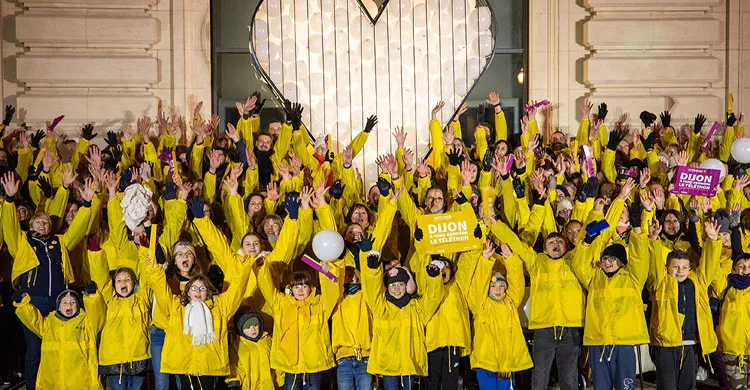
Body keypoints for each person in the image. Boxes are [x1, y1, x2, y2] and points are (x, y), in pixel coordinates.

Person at [1, 171, 95, 390]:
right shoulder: (23, 243)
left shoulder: (59, 242)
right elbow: (9, 227)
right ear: (31, 225)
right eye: (38, 221)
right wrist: (10, 200)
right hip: (32, 301)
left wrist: (88, 203)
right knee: (34, 350)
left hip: (58, 302)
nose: (43, 224)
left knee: (57, 347)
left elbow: (79, 229)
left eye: (46, 222)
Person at [572, 215, 650, 390]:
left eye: (612, 259)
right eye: (605, 259)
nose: (607, 262)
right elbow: (578, 265)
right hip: (599, 341)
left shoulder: (633, 278)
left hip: (624, 343)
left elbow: (640, 258)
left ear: (621, 262)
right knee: (601, 386)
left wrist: (637, 230)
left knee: (624, 386)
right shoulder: (594, 278)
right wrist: (586, 243)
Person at [648, 218, 722, 390]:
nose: (680, 271)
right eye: (675, 267)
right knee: (667, 387)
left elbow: (709, 264)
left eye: (684, 267)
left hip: (690, 345)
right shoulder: (661, 282)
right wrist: (653, 240)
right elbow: (654, 263)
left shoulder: (698, 282)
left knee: (688, 386)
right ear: (667, 268)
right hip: (665, 345)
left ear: (690, 269)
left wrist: (712, 241)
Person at [12, 282, 105, 390]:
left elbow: (97, 314)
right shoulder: (48, 324)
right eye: (64, 302)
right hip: (52, 383)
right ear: (58, 307)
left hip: (81, 384)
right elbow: (33, 320)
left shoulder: (87, 323)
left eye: (73, 302)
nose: (69, 305)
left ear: (78, 306)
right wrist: (22, 303)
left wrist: (93, 298)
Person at [467, 240, 533, 390]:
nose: (498, 290)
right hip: (486, 362)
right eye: (493, 286)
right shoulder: (480, 305)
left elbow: (517, 284)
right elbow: (478, 286)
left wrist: (511, 260)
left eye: (501, 286)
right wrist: (484, 260)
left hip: (505, 363)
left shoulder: (510, 303)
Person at [226, 307, 278, 390]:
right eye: (248, 327)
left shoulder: (268, 341)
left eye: (255, 325)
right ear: (241, 330)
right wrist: (234, 384)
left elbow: (276, 363)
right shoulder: (237, 346)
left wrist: (281, 381)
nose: (253, 329)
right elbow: (236, 368)